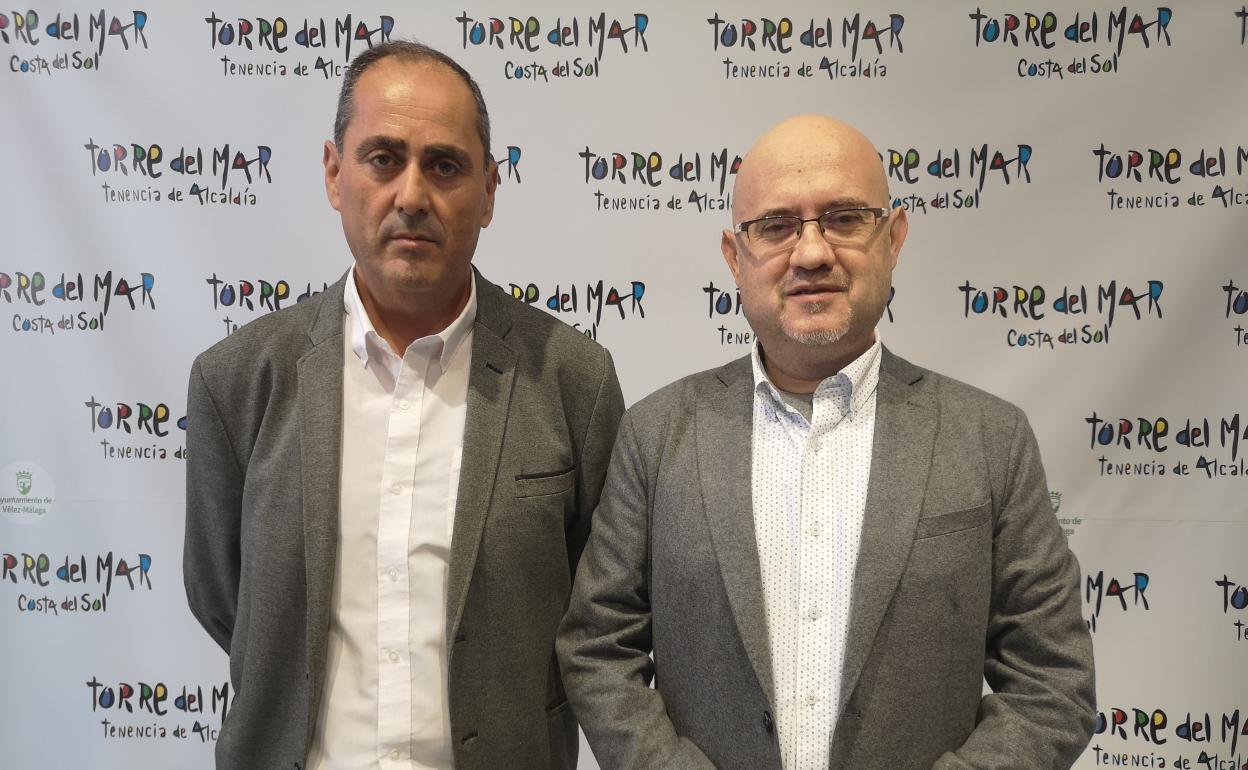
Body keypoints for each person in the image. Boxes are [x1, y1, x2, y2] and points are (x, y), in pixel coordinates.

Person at [557, 115, 1095, 769]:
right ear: (735, 256)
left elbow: (1053, 683)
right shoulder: (657, 434)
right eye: (776, 226)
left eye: (843, 218)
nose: (811, 253)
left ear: (893, 238)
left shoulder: (989, 438)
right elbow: (598, 648)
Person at [183, 41, 623, 770]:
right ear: (334, 173)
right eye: (384, 159)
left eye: (444, 166)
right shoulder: (238, 380)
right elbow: (224, 599)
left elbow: (597, 613)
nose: (412, 195)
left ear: (489, 190)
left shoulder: (573, 379)